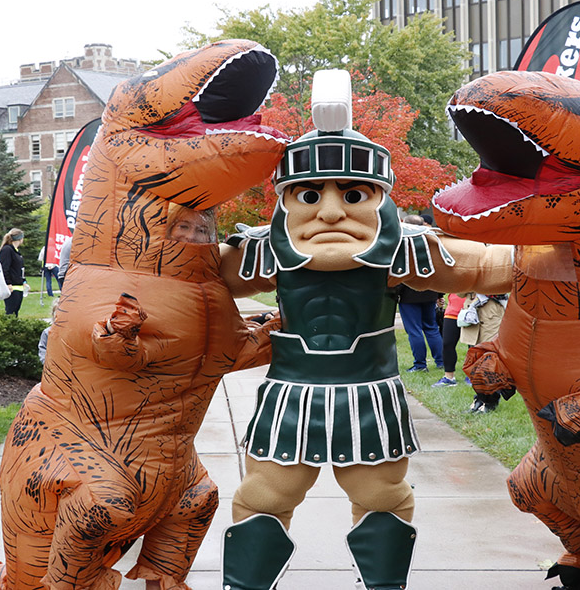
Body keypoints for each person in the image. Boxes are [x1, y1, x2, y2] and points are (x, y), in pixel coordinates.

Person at [217, 69, 513, 590]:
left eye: (353, 194)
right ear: (286, 200)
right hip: (291, 393)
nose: (330, 211)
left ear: (379, 196)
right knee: (263, 498)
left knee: (381, 497)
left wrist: (567, 248)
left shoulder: (410, 247)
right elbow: (179, 275)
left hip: (370, 396)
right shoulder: (258, 251)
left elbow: (493, 264)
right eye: (309, 195)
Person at [397, 214, 444, 373]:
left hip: (409, 295)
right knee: (432, 327)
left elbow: (399, 271)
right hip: (430, 291)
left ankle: (420, 365)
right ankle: (441, 361)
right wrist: (439, 294)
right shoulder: (431, 243)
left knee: (414, 330)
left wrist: (396, 292)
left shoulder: (402, 244)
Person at [460, 293, 508, 413]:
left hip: (491, 313)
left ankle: (491, 401)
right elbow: (459, 292)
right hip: (473, 312)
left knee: (490, 363)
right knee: (475, 363)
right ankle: (479, 399)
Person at [432, 293, 467, 387]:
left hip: (473, 308)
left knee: (473, 345)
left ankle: (473, 376)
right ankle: (449, 377)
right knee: (447, 344)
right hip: (452, 310)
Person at [0, 228, 26, 316]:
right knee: (11, 312)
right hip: (12, 286)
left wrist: (24, 281)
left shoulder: (16, 252)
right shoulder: (7, 250)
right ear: (20, 239)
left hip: (19, 285)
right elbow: (4, 268)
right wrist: (8, 283)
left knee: (16, 311)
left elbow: (19, 269)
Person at [37, 299, 59, 365]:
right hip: (52, 367)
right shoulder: (48, 332)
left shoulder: (71, 333)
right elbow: (43, 349)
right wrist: (46, 362)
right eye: (57, 313)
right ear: (53, 314)